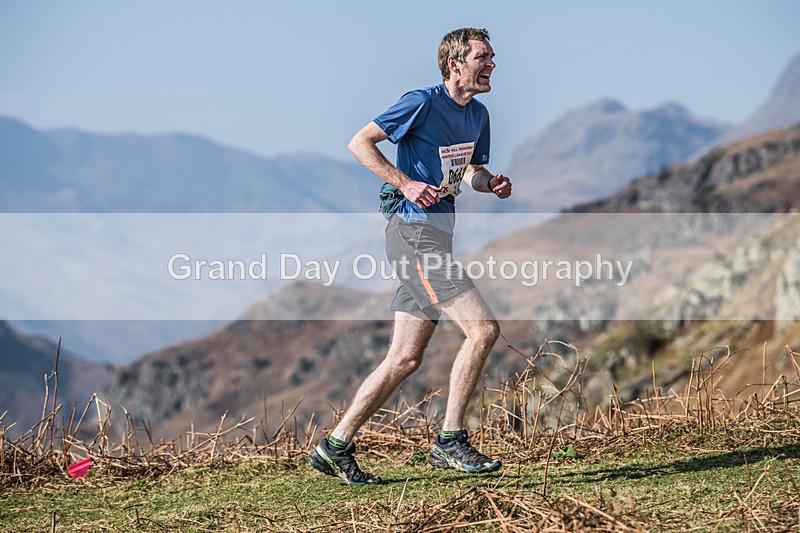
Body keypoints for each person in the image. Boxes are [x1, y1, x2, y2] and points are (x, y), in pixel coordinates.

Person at [309, 27, 512, 485]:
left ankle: (333, 447)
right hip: (413, 237)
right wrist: (404, 182)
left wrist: (490, 183)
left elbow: (472, 171)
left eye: (493, 57)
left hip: (437, 237)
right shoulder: (420, 101)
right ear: (454, 64)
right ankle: (450, 441)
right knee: (483, 330)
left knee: (404, 360)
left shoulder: (478, 115)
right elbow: (359, 142)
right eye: (484, 57)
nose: (493, 64)